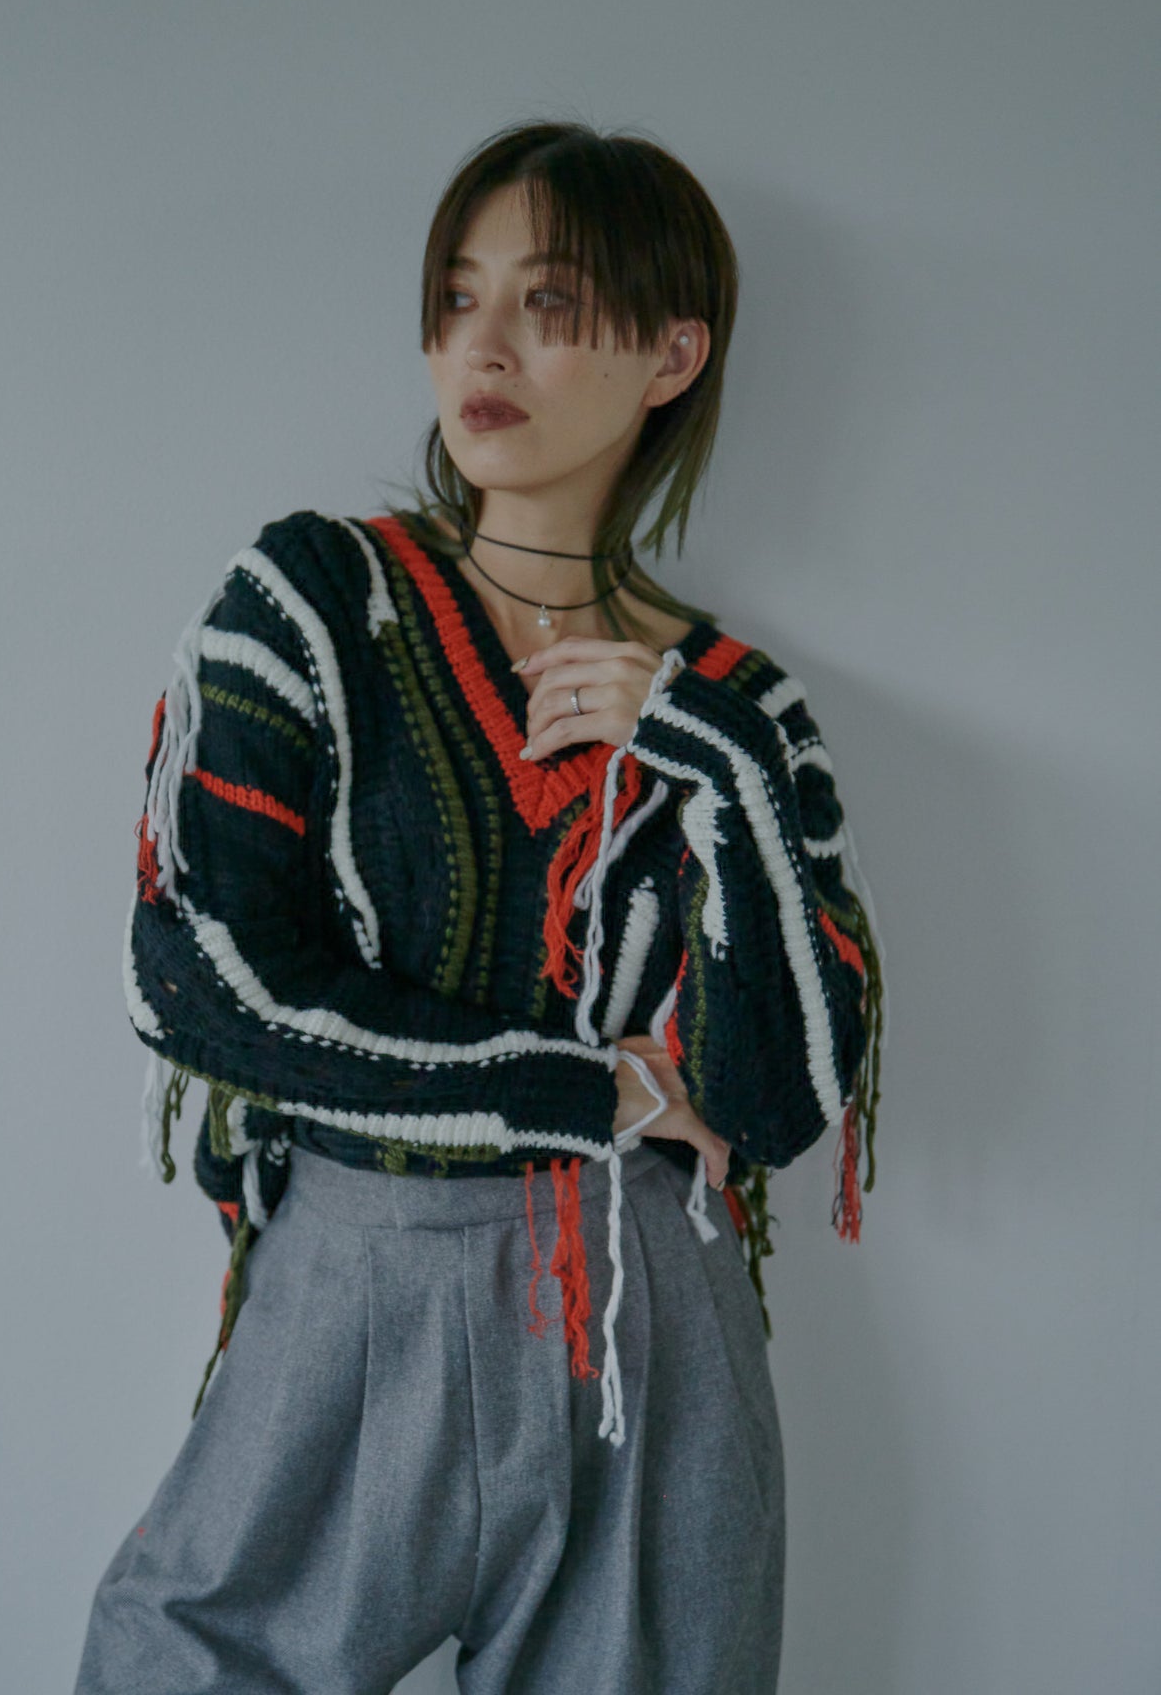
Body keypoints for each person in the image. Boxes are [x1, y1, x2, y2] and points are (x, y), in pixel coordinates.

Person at [74, 119, 886, 1695]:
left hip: (652, 1316)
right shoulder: (313, 600)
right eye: (457, 297)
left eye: (550, 302)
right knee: (178, 1657)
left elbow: (780, 1101)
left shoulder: (740, 708)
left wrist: (709, 762)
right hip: (358, 1280)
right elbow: (203, 974)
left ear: (670, 356)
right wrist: (599, 1089)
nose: (483, 345)